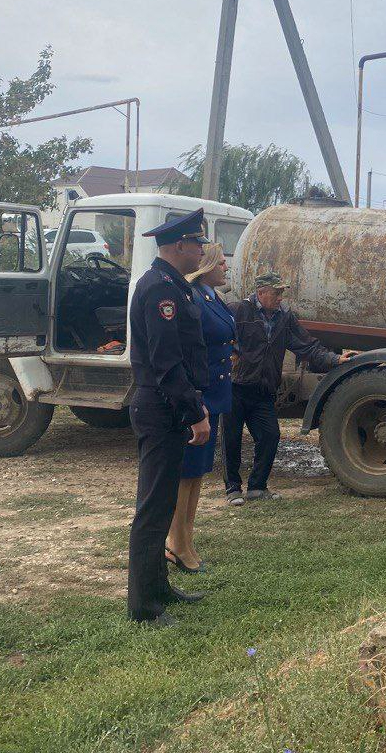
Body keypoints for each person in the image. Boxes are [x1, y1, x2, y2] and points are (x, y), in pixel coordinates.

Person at [126, 208, 211, 627]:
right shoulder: (161, 290)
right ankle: (144, 608)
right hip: (161, 406)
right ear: (180, 246)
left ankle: (159, 589)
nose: (202, 251)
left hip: (167, 405)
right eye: (198, 244)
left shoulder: (171, 285)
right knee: (154, 508)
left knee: (162, 505)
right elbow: (166, 362)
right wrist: (194, 412)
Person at [223, 271, 350, 503]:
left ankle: (257, 488)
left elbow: (308, 347)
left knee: (270, 436)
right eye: (276, 292)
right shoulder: (239, 310)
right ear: (260, 293)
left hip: (264, 389)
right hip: (236, 386)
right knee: (231, 438)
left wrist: (334, 359)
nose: (280, 297)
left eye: (282, 292)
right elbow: (220, 337)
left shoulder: (284, 317)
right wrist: (230, 354)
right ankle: (232, 489)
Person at [166, 242, 236, 573]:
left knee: (197, 474)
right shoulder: (193, 296)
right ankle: (176, 542)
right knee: (186, 473)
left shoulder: (211, 296)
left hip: (215, 394)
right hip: (200, 396)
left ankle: (185, 539)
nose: (226, 268)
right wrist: (195, 400)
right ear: (206, 265)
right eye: (221, 263)